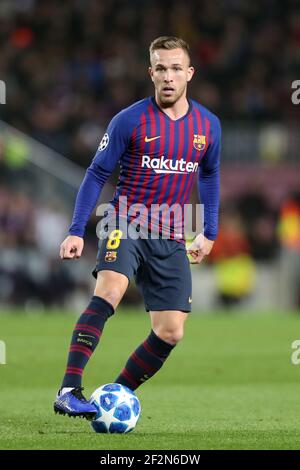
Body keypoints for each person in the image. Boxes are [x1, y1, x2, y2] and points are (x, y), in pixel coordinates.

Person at [54, 36, 221, 419]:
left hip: (171, 233)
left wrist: (209, 231)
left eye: (176, 68)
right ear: (151, 73)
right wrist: (77, 229)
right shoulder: (129, 120)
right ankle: (68, 388)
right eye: (161, 68)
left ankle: (114, 399)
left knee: (171, 331)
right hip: (125, 221)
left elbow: (210, 175)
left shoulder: (208, 126)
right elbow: (97, 173)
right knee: (111, 290)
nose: (168, 76)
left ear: (189, 74)